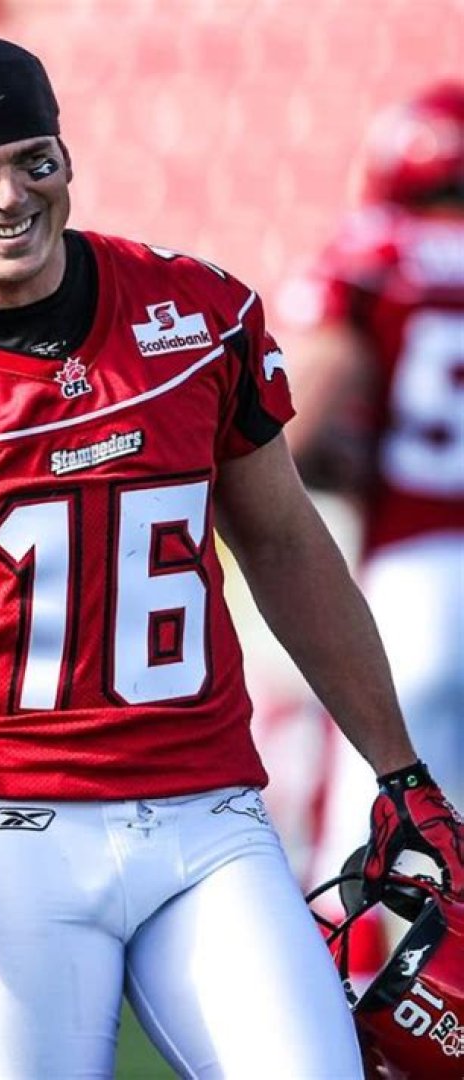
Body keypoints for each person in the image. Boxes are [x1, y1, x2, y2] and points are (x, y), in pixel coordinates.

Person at [0, 37, 463, 1079]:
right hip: (12, 840)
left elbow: (285, 543)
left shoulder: (194, 313)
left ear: (67, 155)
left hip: (212, 817)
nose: (10, 196)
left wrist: (397, 764)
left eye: (33, 160)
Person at [276, 83, 464, 909]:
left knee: (373, 839)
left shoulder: (378, 255)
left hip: (413, 579)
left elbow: (296, 425)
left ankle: (355, 990)